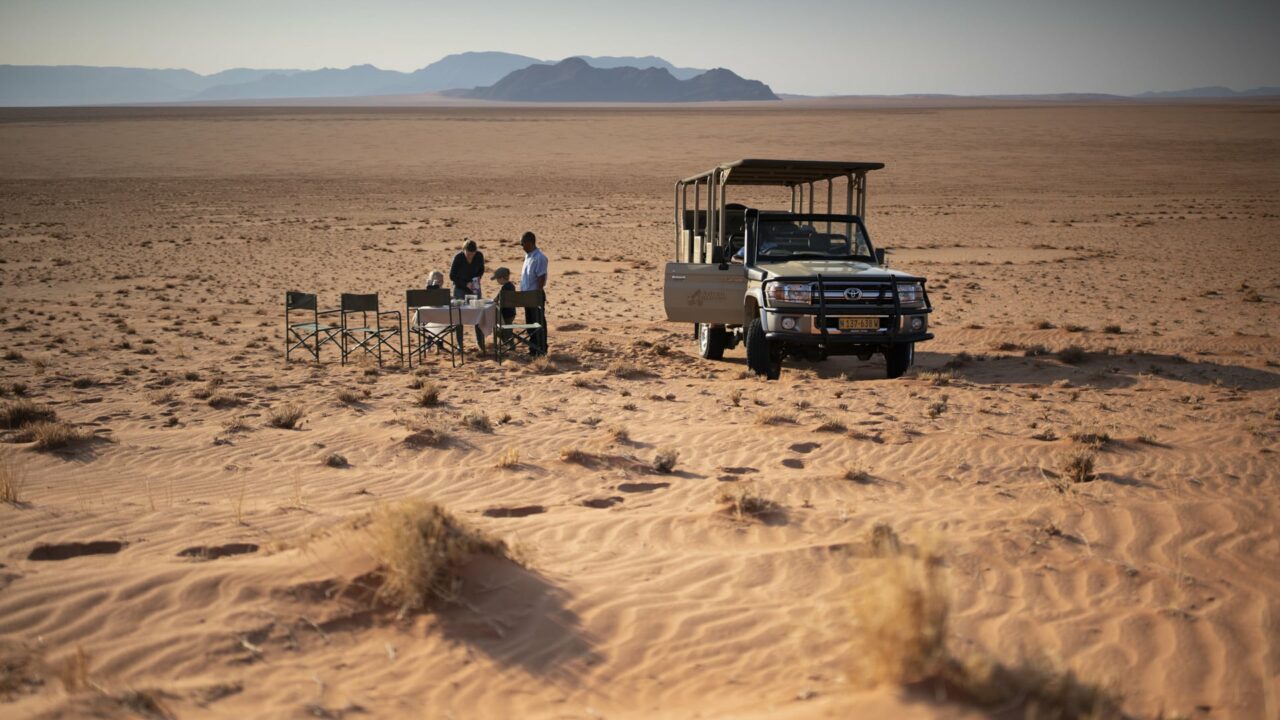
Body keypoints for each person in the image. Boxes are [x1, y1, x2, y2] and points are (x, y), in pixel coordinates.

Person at [448, 238, 486, 352]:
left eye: (472, 254)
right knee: (458, 316)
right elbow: (452, 276)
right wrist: (465, 284)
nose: (471, 257)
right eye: (468, 254)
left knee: (478, 314)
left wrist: (477, 278)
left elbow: (481, 269)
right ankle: (460, 345)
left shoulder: (479, 256)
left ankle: (481, 344)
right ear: (464, 250)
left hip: (474, 288)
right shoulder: (458, 258)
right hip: (460, 289)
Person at [518, 231, 548, 356]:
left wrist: (537, 294)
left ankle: (541, 349)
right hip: (527, 296)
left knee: (538, 323)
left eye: (523, 243)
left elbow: (541, 277)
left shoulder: (539, 258)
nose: (522, 246)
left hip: (535, 295)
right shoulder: (528, 256)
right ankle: (533, 349)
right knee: (530, 324)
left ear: (530, 243)